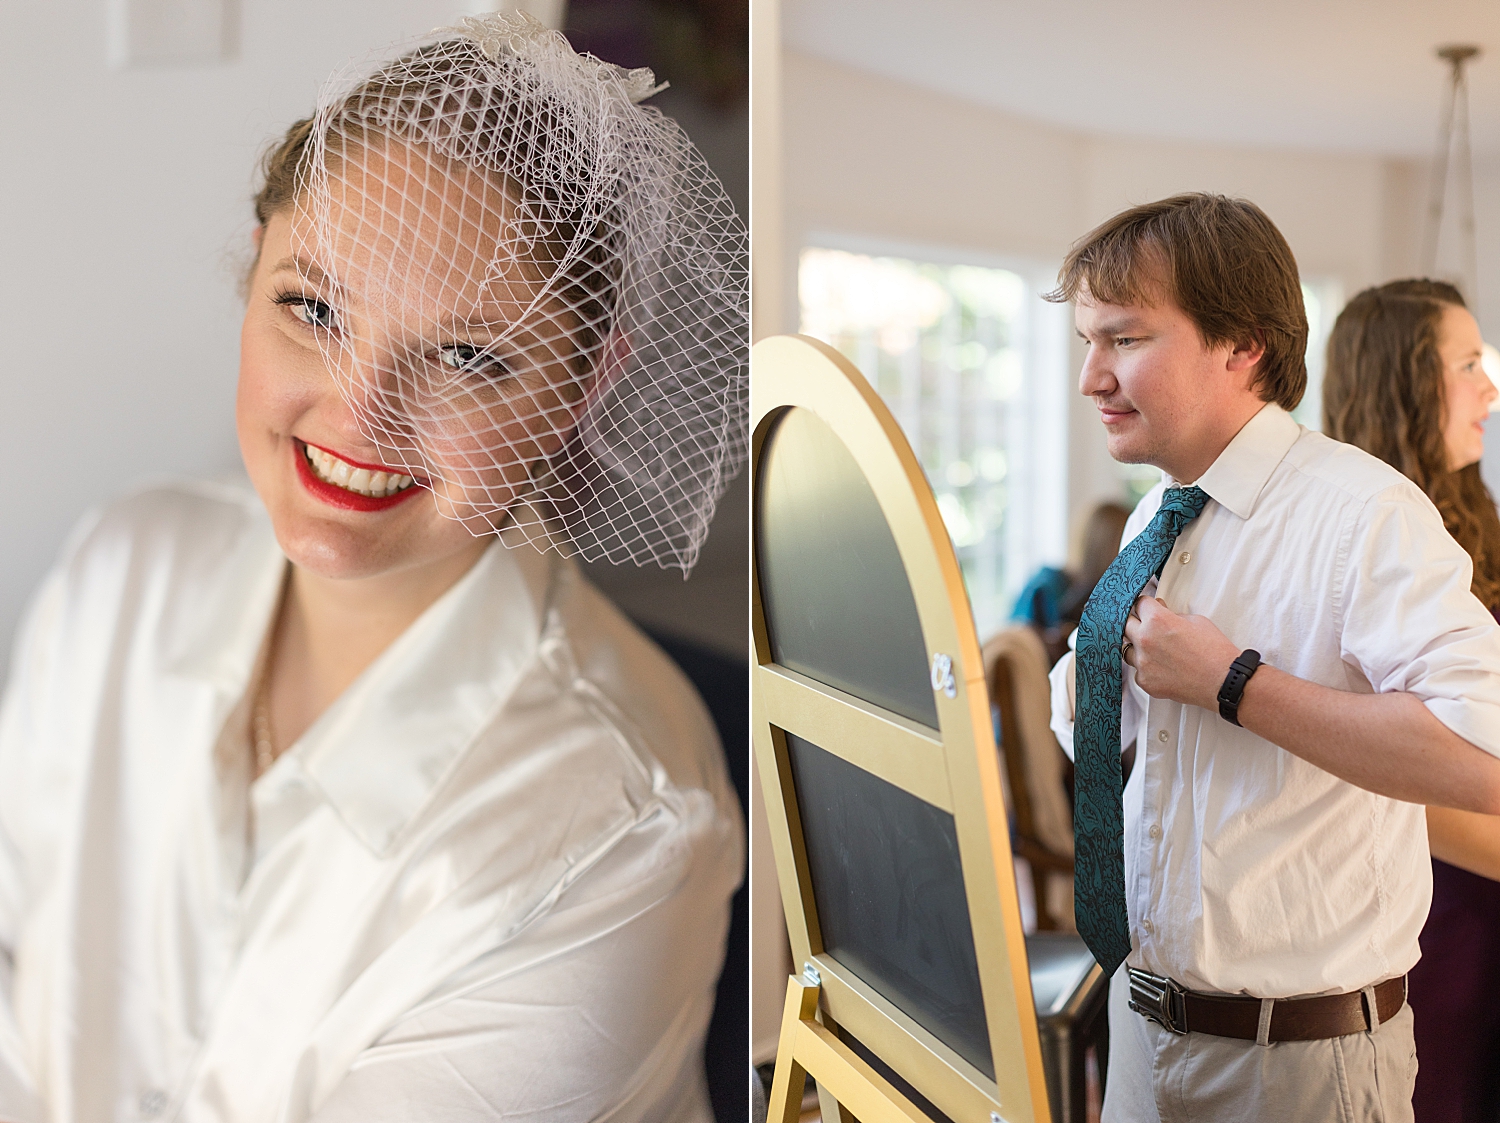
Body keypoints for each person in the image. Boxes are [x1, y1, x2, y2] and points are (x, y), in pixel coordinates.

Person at [0, 14, 746, 1122]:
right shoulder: (126, 564)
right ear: (255, 272)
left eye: (465, 356)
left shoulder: (620, 829)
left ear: (587, 388)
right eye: (313, 309)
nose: (358, 419)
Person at [1044, 194, 1500, 1123]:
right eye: (1088, 341)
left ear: (1242, 346)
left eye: (1124, 339)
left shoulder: (1364, 512)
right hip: (1142, 1029)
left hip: (1297, 1063)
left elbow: (1483, 756)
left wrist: (1233, 684)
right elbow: (1112, 739)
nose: (1091, 378)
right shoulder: (1155, 517)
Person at [1322, 278, 1500, 1123]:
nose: (1490, 389)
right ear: (1401, 379)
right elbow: (1386, 770)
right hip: (1438, 903)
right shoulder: (1356, 539)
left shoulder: (1475, 513)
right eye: (1467, 363)